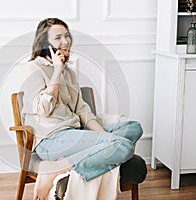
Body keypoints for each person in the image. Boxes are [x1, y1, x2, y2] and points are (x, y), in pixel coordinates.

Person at [21, 18, 143, 200]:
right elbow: (43, 109)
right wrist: (56, 70)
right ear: (45, 43)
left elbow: (82, 109)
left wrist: (104, 135)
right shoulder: (33, 68)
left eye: (67, 36)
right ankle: (54, 170)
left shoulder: (69, 72)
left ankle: (67, 162)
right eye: (58, 38)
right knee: (123, 147)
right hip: (51, 140)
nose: (65, 41)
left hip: (75, 133)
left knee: (134, 128)